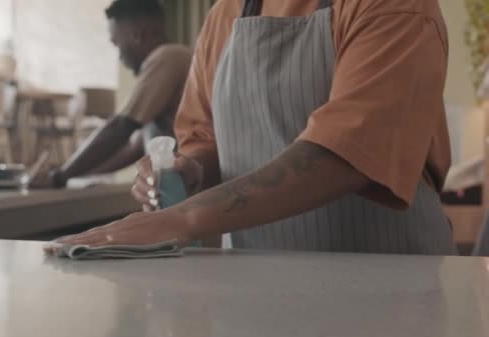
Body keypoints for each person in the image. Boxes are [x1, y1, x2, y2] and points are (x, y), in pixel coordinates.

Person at [47, 0, 457, 255]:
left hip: (389, 285)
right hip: (255, 282)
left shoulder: (396, 6)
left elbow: (346, 154)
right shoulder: (226, 13)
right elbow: (206, 139)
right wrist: (188, 169)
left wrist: (181, 219)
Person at [43, 0, 192, 188]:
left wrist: (58, 176)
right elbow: (134, 148)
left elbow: (121, 126)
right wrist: (78, 174)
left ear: (136, 35)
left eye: (117, 43)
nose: (119, 55)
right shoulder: (175, 60)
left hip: (188, 181)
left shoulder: (168, 57)